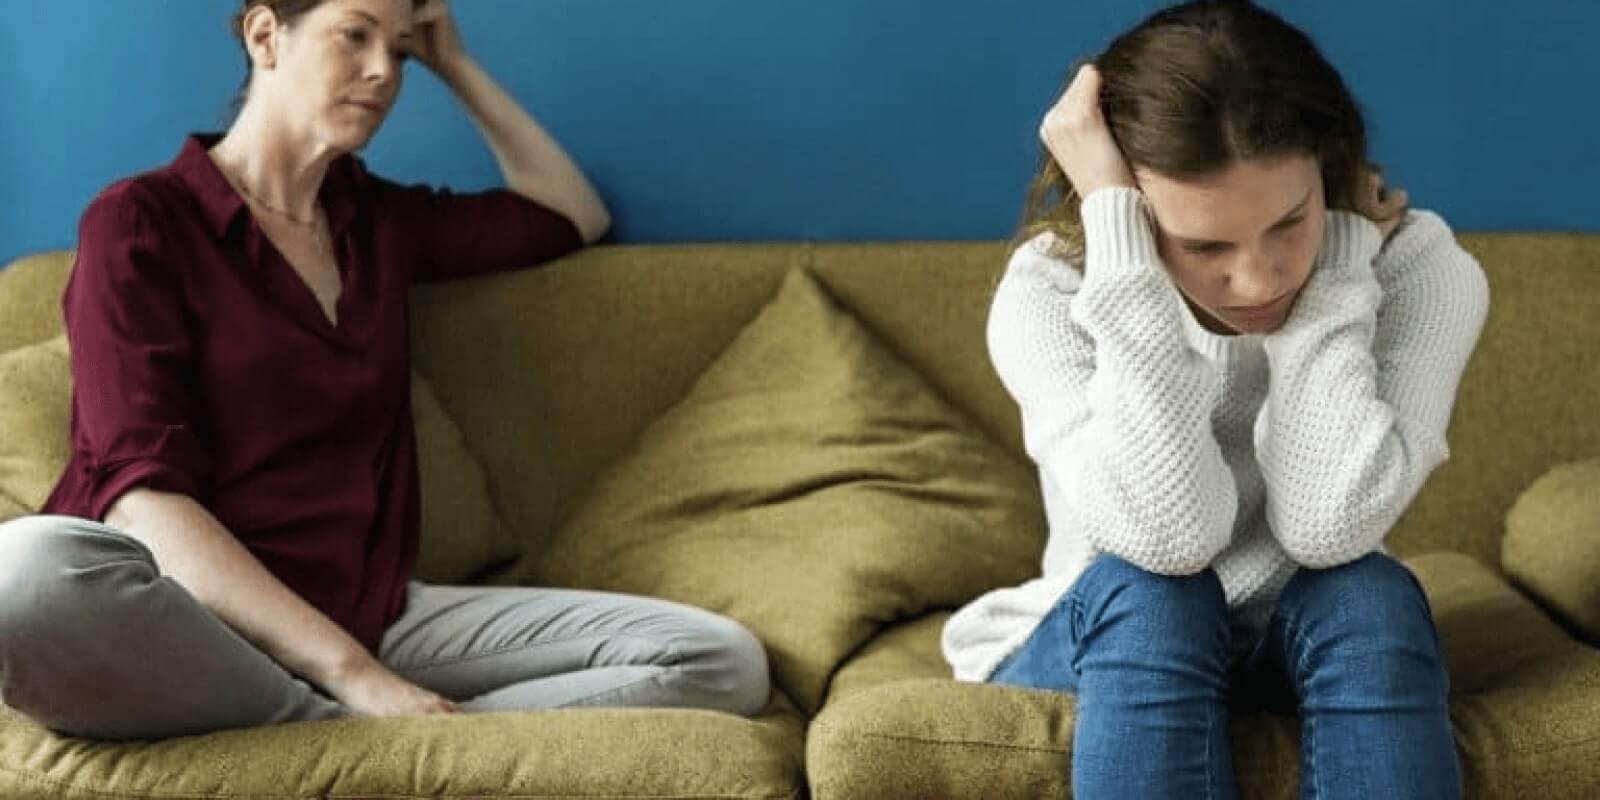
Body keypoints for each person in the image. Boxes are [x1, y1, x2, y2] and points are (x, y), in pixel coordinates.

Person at [0, 0, 769, 741]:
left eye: (399, 51)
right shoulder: (141, 222)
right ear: (267, 35)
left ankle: (349, 735)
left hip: (370, 611)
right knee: (22, 573)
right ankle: (351, 724)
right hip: (189, 619)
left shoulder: (376, 223)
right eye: (354, 36)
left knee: (719, 661)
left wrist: (456, 64)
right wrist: (355, 677)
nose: (383, 73)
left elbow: (571, 213)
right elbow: (142, 506)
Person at [941, 1, 1487, 797]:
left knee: (1366, 590)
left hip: (1305, 630)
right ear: (1125, 207)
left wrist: (1336, 275)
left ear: (1326, 170)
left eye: (1289, 221)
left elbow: (1326, 524)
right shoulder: (1051, 292)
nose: (1260, 280)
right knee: (1159, 598)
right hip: (1114, 630)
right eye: (1203, 245)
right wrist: (1124, 258)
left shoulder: (1416, 270)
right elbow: (1170, 539)